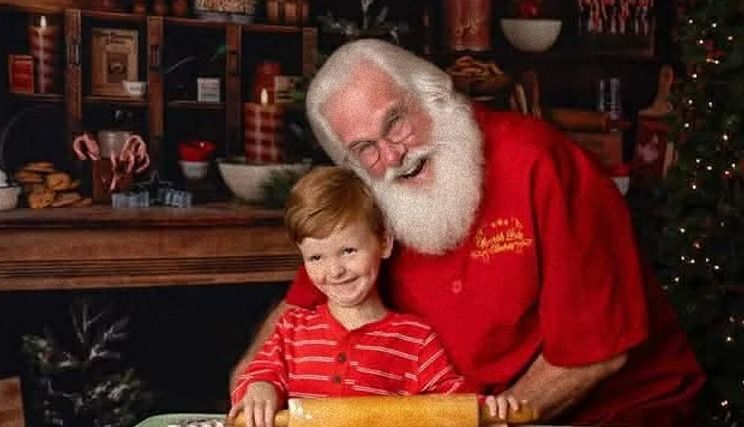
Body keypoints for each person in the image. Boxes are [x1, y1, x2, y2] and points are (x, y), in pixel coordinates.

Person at [232, 39, 704, 426]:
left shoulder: (542, 163)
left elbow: (598, 355)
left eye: (395, 122)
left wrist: (491, 424)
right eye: (364, 149)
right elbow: (304, 304)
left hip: (607, 410)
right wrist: (250, 390)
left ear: (433, 92)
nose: (393, 157)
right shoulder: (369, 191)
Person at [228, 166, 520, 427]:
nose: (335, 271)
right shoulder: (291, 329)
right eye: (316, 257)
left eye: (348, 251)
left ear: (384, 243)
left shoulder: (415, 339)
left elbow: (452, 404)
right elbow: (258, 374)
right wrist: (260, 388)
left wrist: (489, 409)